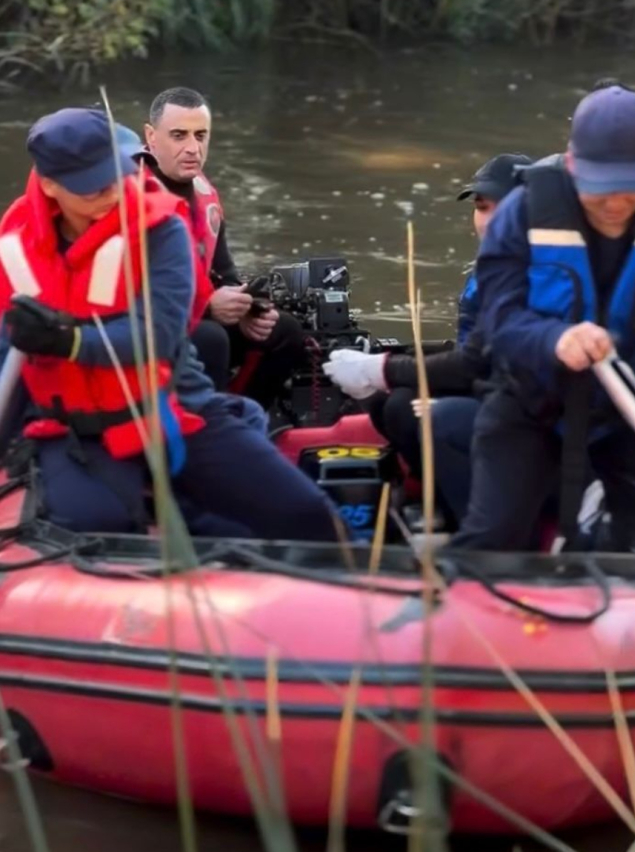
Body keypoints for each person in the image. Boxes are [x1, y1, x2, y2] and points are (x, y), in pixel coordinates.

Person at [0, 107, 341, 541]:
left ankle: (210, 522)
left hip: (172, 407)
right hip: (77, 427)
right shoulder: (14, 242)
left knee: (305, 514)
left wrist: (68, 341)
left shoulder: (162, 228)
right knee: (99, 531)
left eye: (115, 177)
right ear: (49, 185)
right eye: (92, 189)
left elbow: (156, 338)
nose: (111, 196)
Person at [455, 85, 635, 552]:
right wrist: (553, 338)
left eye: (627, 188)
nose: (613, 204)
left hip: (632, 408)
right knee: (493, 537)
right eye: (599, 188)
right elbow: (499, 320)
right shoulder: (520, 216)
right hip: (534, 401)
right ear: (571, 164)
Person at [323, 153, 532, 525]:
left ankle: (473, 520)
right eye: (482, 208)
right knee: (389, 402)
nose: (488, 221)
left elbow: (481, 360)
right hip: (483, 377)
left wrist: (384, 368)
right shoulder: (493, 262)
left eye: (503, 208)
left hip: (507, 393)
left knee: (404, 406)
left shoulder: (528, 271)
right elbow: (471, 345)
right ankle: (432, 495)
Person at [139, 87, 306, 405]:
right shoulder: (128, 199)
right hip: (147, 328)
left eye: (201, 136)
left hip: (199, 311)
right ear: (151, 136)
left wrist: (247, 307)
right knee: (211, 339)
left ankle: (243, 420)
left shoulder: (204, 194)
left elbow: (225, 271)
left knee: (284, 331)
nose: (193, 148)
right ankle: (204, 433)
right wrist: (208, 308)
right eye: (179, 135)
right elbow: (131, 296)